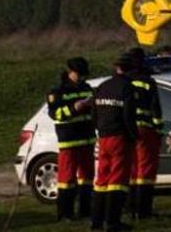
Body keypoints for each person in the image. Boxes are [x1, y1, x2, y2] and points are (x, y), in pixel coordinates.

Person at [90, 55, 138, 231]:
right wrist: (133, 135)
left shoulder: (102, 87)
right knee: (117, 180)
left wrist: (100, 130)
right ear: (129, 70)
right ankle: (112, 222)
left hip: (103, 137)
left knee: (102, 179)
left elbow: (93, 114)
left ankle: (96, 221)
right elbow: (128, 116)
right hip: (120, 138)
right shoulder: (127, 88)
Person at [47, 57, 97, 222]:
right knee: (66, 180)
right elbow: (55, 114)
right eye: (79, 74)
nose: (81, 78)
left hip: (87, 139)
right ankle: (65, 214)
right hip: (69, 141)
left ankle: (85, 211)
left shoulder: (87, 88)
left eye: (83, 75)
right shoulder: (58, 92)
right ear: (71, 72)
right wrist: (74, 108)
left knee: (87, 177)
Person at [126, 48, 162, 219]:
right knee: (145, 171)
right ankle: (144, 210)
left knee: (131, 170)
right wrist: (158, 129)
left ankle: (130, 207)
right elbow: (156, 110)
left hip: (126, 131)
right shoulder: (148, 82)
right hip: (145, 130)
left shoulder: (124, 81)